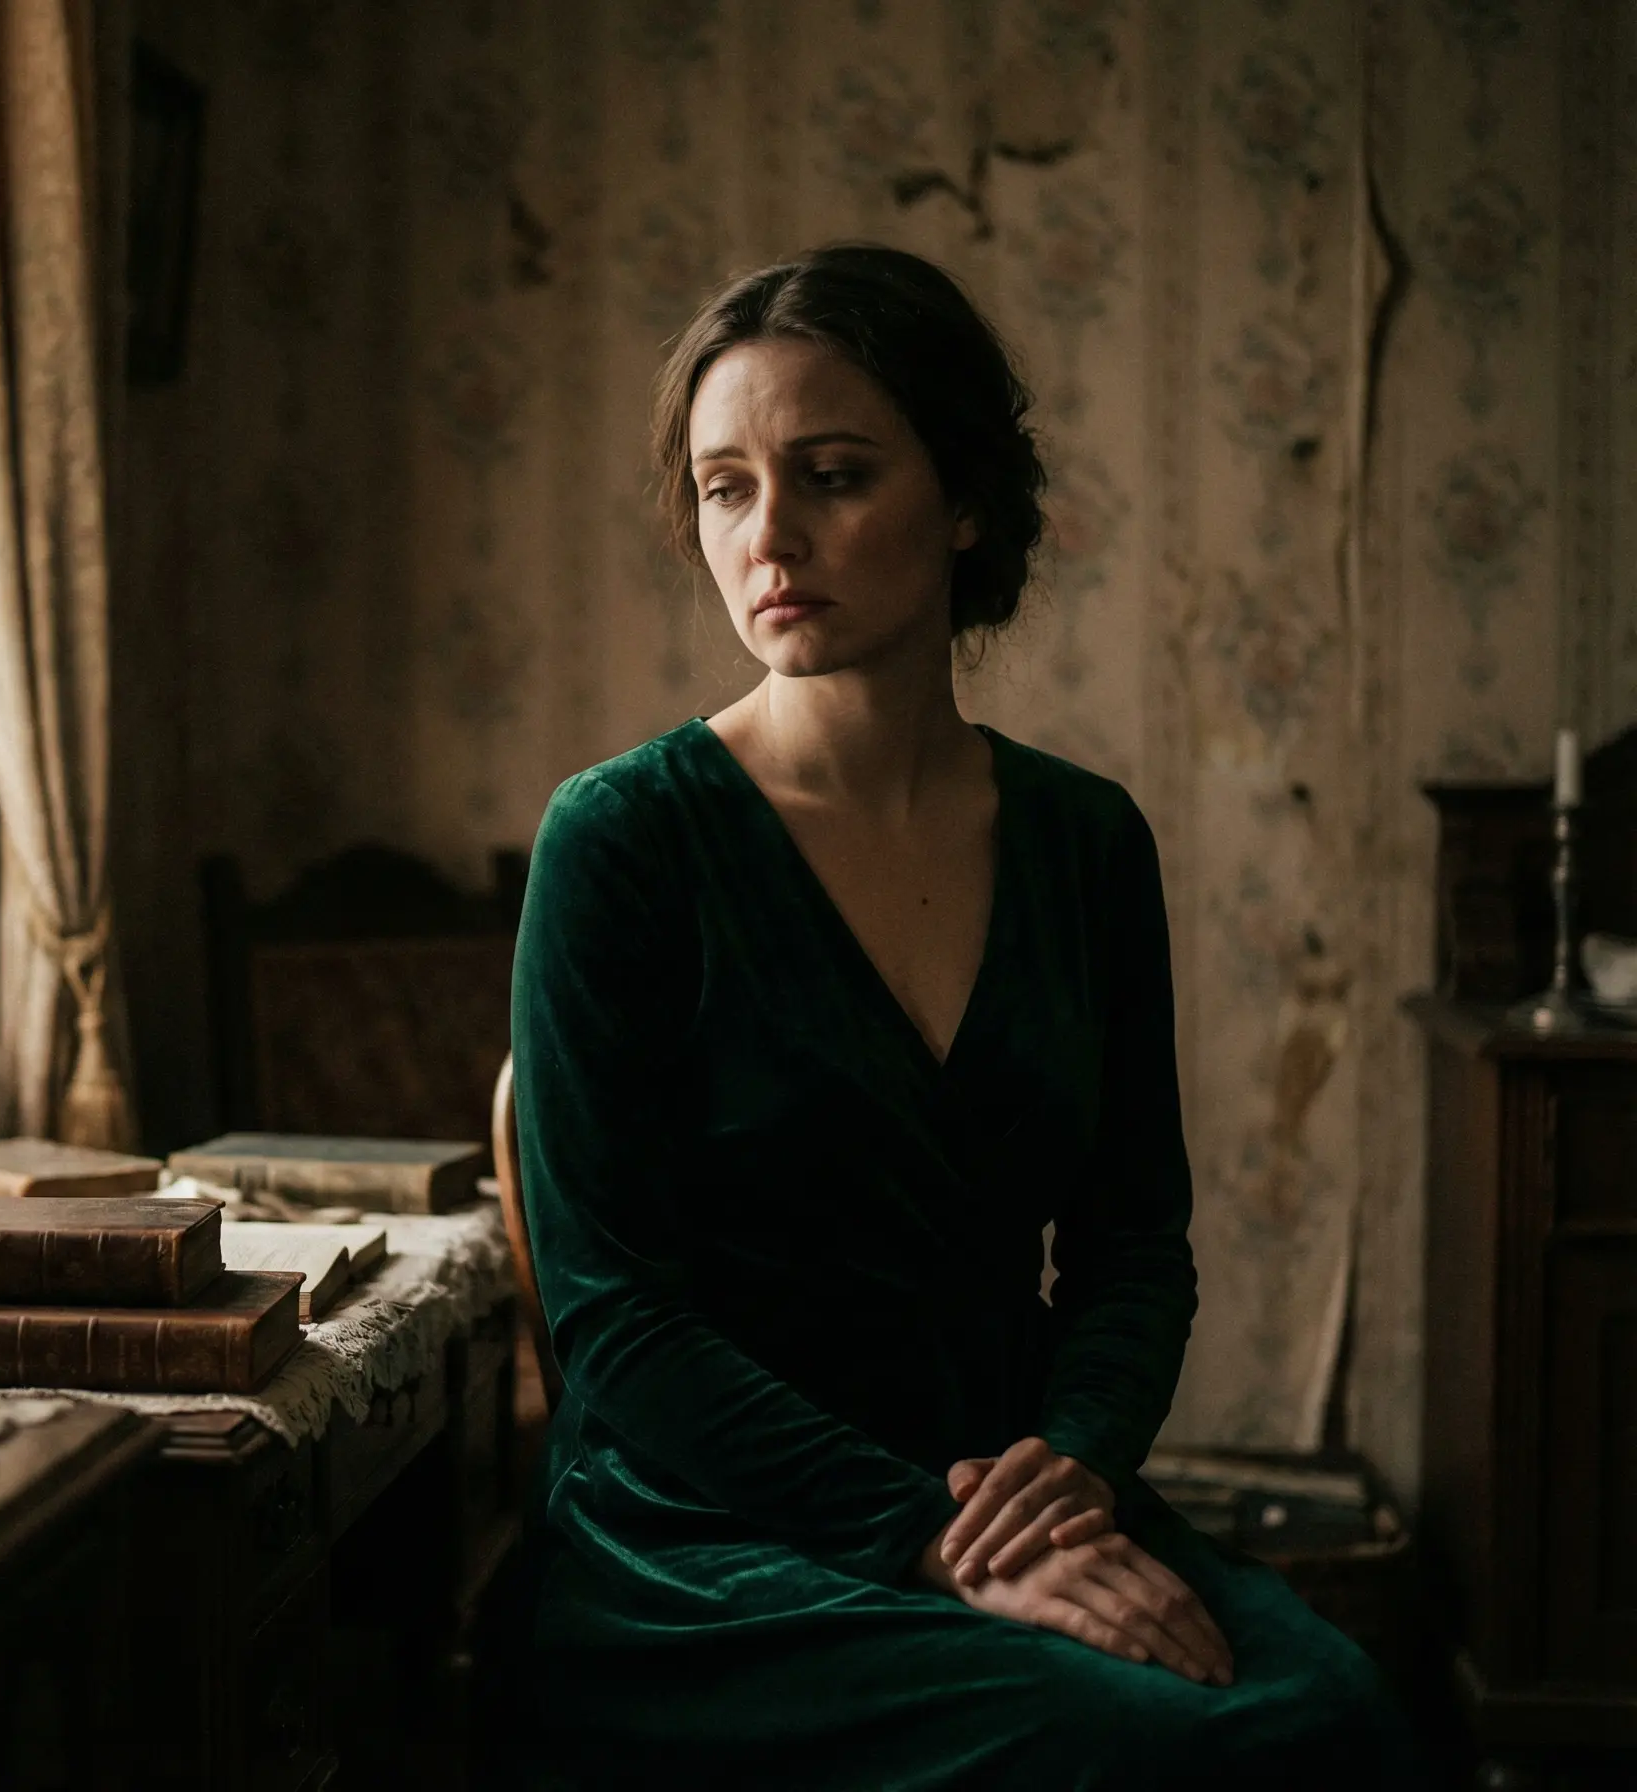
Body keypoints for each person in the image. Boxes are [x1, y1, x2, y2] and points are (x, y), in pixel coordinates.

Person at [508, 243, 1421, 1789]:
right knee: (1128, 1751)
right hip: (718, 1542)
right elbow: (616, 1323)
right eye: (726, 489)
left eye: (833, 473)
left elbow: (1134, 1246)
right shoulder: (621, 842)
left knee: (1330, 1711)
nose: (770, 535)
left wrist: (1071, 1476)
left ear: (969, 501)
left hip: (1016, 1490)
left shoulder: (1085, 842)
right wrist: (923, 1536)